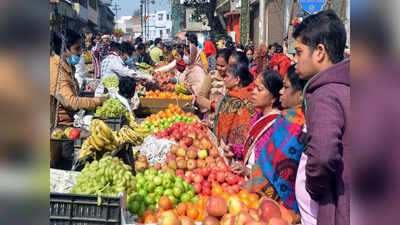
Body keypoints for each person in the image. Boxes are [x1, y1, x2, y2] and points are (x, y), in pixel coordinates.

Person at [293, 9, 350, 225]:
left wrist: (313, 189)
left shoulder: (325, 94)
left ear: (319, 51)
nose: (294, 59)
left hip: (338, 209)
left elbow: (324, 155)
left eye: (298, 52)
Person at [240, 66, 307, 225]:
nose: (281, 92)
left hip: (283, 206)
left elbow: (282, 171)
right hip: (266, 200)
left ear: (299, 95)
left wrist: (254, 181)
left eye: (286, 87)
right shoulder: (284, 119)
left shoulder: (296, 124)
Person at [224, 70, 282, 177]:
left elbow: (274, 168)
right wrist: (233, 149)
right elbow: (250, 149)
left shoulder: (278, 125)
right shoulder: (258, 117)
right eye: (254, 87)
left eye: (259, 89)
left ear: (273, 98)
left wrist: (249, 171)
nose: (253, 92)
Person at [50, 29, 106, 127]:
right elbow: (70, 102)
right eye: (77, 49)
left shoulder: (66, 67)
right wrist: (98, 101)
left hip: (71, 121)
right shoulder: (56, 71)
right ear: (64, 50)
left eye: (81, 48)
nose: (80, 53)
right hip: (61, 127)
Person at [213, 63, 256, 153]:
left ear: (237, 80)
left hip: (232, 151)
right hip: (234, 149)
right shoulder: (240, 96)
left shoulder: (237, 100)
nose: (224, 79)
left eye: (226, 76)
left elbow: (227, 127)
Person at [197, 48, 232, 128]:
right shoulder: (212, 76)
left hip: (226, 125)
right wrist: (213, 105)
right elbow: (200, 97)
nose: (219, 68)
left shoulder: (233, 79)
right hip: (210, 122)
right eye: (217, 65)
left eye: (222, 66)